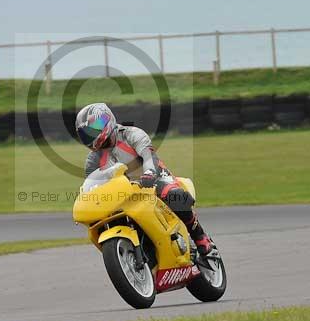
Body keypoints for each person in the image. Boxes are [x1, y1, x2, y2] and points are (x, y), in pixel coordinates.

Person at [75, 102, 213, 255]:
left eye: (94, 128)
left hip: (153, 178)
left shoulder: (131, 134)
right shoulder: (92, 160)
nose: (92, 134)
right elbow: (93, 185)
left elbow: (148, 155)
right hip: (123, 192)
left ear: (108, 120)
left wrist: (149, 172)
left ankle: (200, 236)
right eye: (87, 133)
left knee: (175, 196)